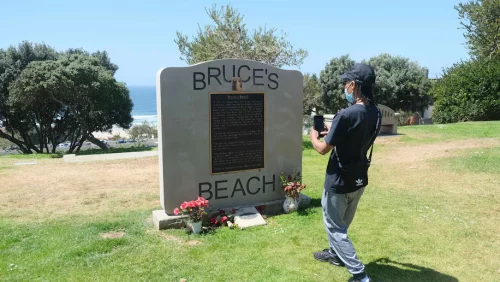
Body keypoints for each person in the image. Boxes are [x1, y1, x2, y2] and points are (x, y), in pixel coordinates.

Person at [309, 63, 381, 282]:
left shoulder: (346, 114)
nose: (344, 86)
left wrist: (313, 135)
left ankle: (359, 275)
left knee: (334, 227)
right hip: (359, 178)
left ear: (354, 85)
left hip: (338, 180)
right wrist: (334, 131)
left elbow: (322, 149)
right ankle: (335, 254)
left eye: (346, 83)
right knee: (342, 223)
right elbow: (355, 134)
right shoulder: (375, 112)